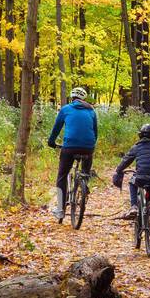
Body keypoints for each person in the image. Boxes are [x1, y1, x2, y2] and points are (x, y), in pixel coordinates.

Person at [47, 87, 98, 219]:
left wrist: (51, 142)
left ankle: (60, 209)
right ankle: (85, 184)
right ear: (84, 99)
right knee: (86, 170)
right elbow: (95, 131)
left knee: (62, 176)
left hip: (69, 147)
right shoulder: (91, 110)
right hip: (88, 147)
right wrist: (90, 145)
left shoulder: (66, 109)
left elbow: (56, 128)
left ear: (72, 97)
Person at [113, 123, 150, 220]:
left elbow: (126, 160)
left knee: (132, 182)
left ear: (141, 135)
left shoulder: (137, 147)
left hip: (140, 178)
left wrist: (119, 170)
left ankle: (134, 206)